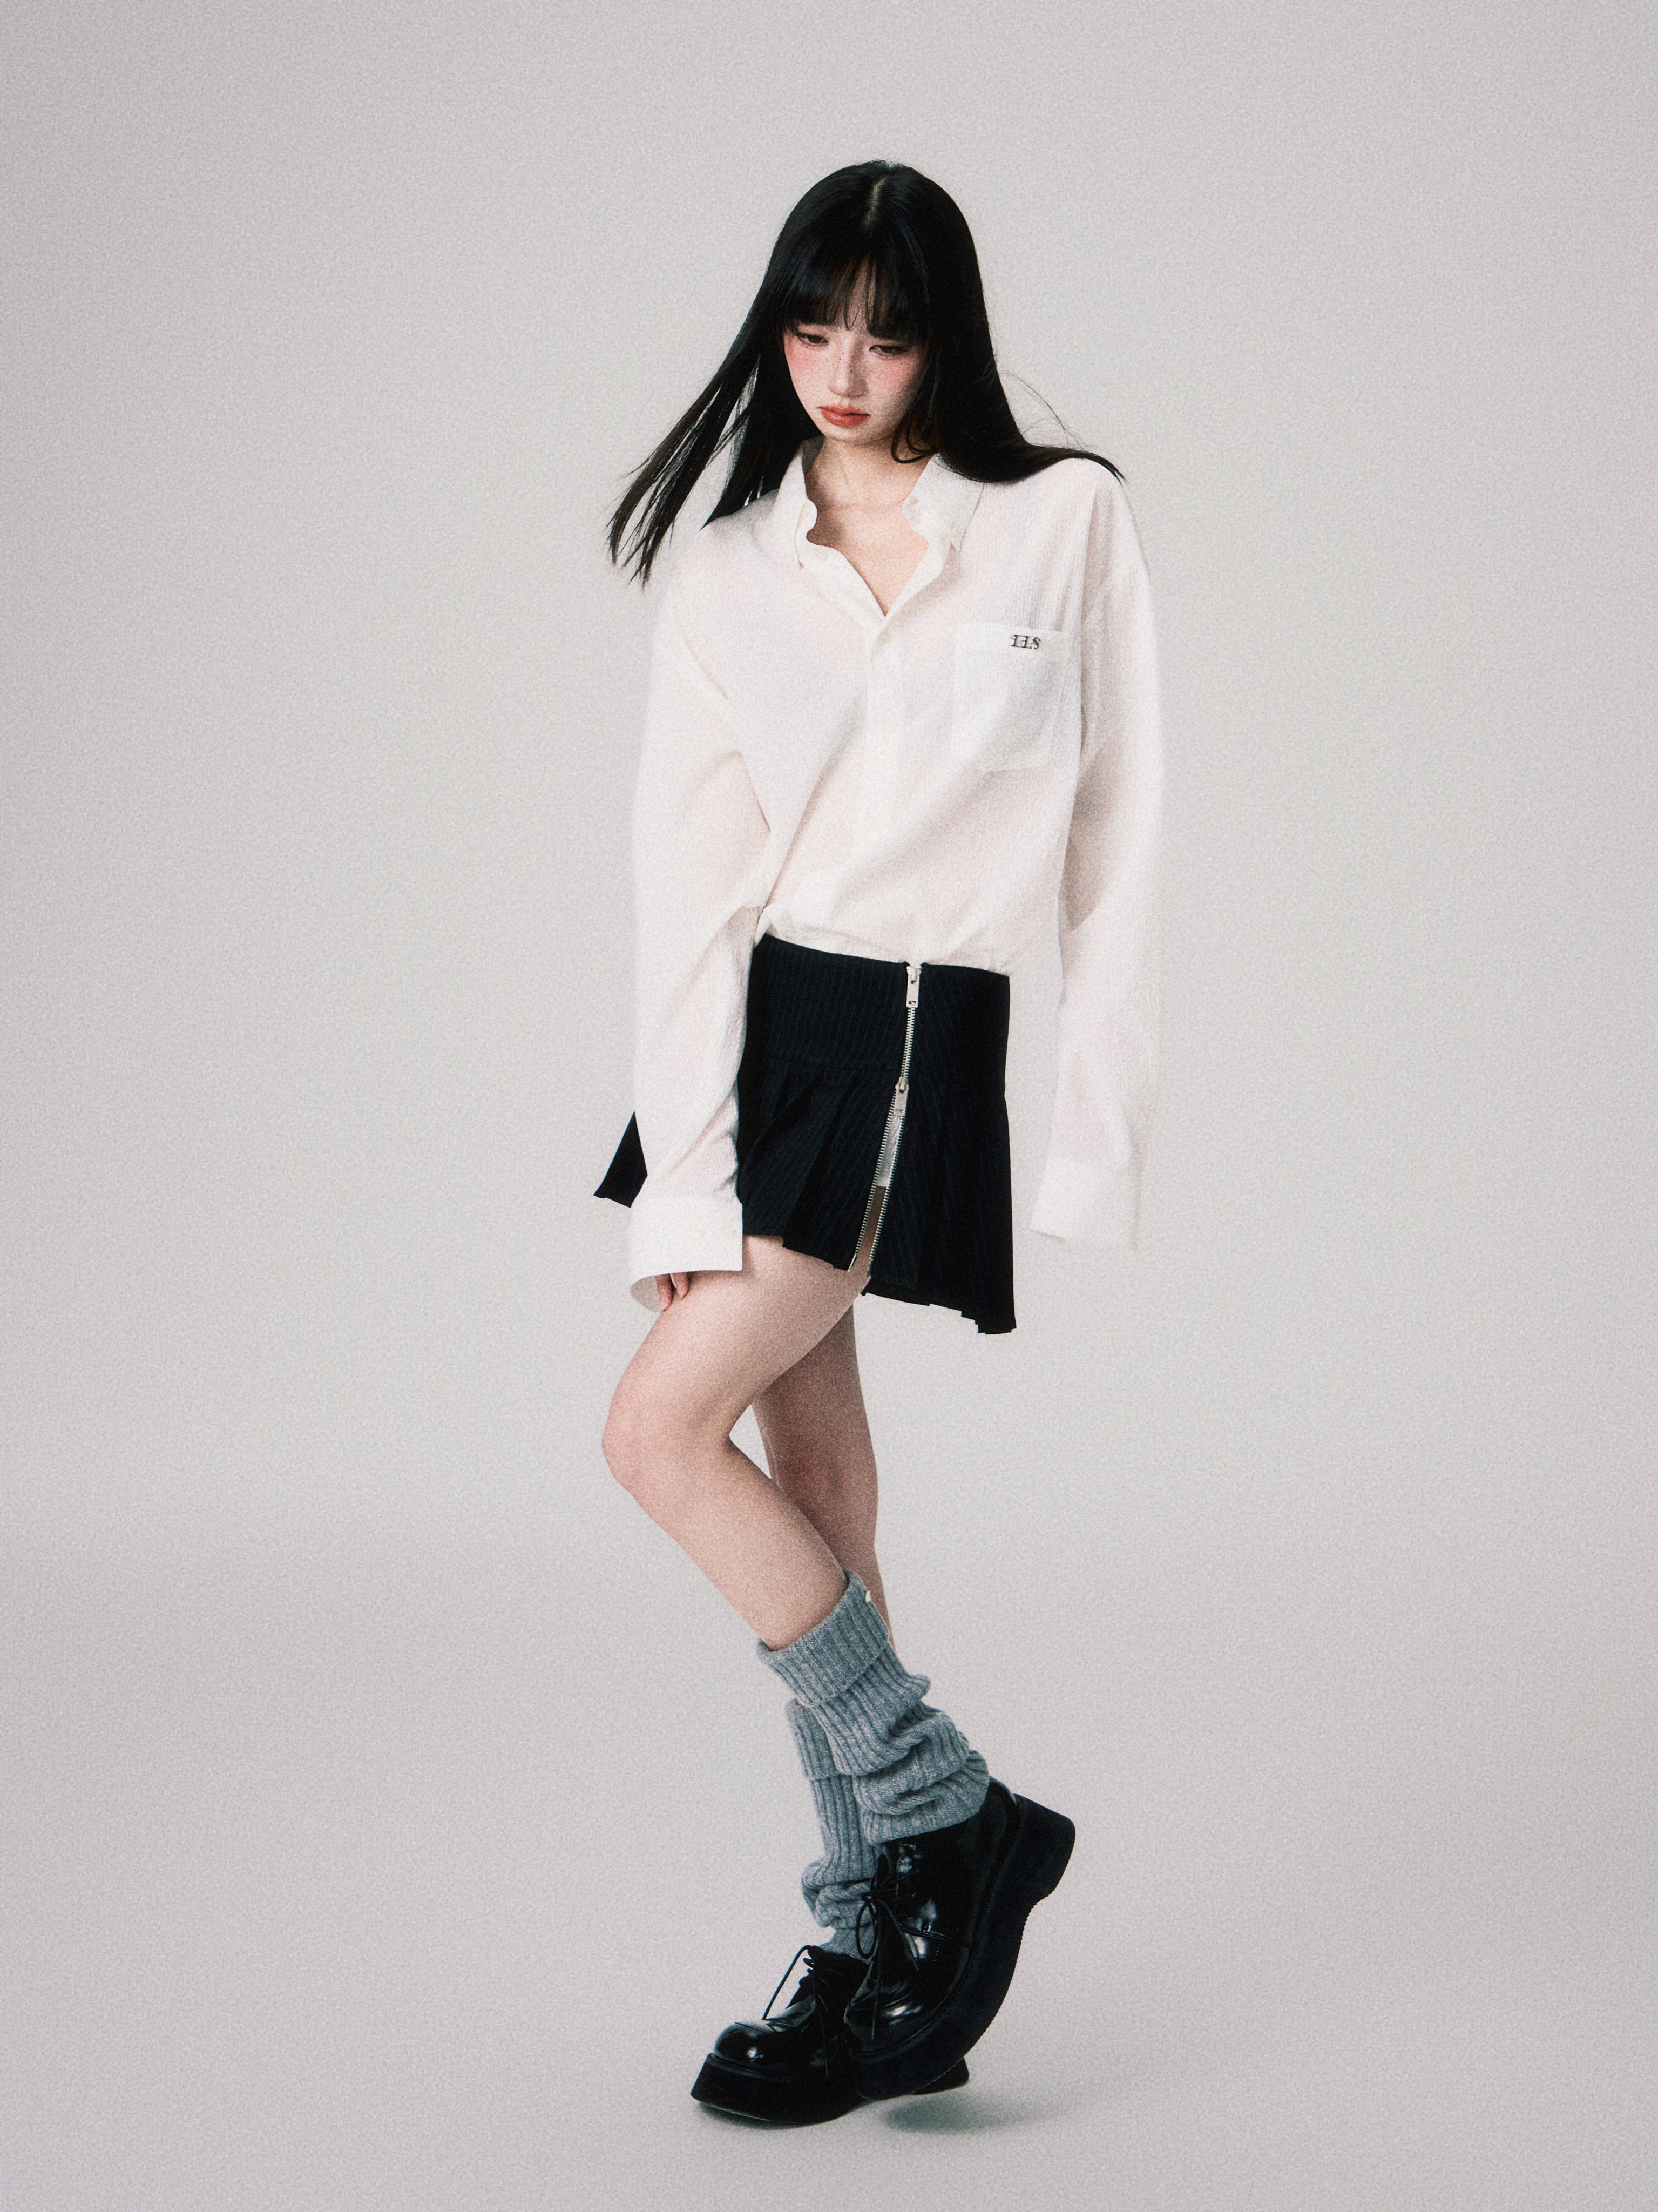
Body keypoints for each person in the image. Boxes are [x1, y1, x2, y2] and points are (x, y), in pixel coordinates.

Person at [595, 160, 1161, 2123]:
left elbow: (1123, 842)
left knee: (653, 1437)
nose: (843, 369)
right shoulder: (729, 571)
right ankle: (871, 1927)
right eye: (813, 326)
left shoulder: (1059, 521)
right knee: (819, 1483)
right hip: (764, 1042)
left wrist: (1093, 1136)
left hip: (920, 1040)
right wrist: (683, 1171)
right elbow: (688, 889)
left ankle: (945, 1817)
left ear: (947, 342)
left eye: (888, 333)